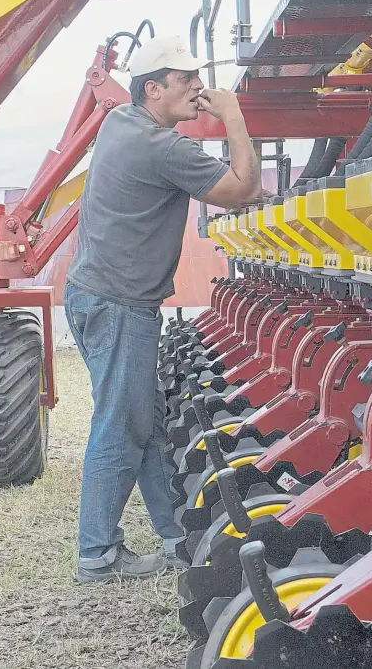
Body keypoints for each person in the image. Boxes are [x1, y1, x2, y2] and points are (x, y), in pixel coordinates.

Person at [64, 35, 262, 582]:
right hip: (121, 304)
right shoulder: (163, 147)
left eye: (199, 79)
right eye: (185, 79)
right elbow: (243, 189)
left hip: (95, 296)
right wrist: (234, 114)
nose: (199, 88)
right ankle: (97, 556)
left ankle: (177, 536)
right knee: (120, 426)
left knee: (141, 423)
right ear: (154, 88)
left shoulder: (122, 124)